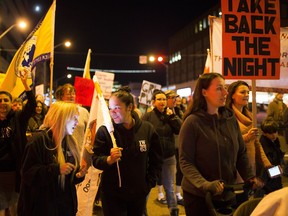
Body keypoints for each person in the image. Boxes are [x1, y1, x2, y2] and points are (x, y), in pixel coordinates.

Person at [179, 73, 263, 216]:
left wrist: (250, 176)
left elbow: (241, 152)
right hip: (199, 197)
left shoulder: (230, 119)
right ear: (204, 92)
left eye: (225, 88)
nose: (225, 93)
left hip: (227, 193)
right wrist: (205, 184)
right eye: (219, 88)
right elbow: (186, 162)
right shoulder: (192, 122)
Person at [92, 86, 163, 216]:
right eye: (110, 109)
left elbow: (156, 160)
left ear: (129, 107)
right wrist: (108, 159)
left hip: (138, 194)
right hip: (112, 195)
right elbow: (96, 159)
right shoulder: (105, 131)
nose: (112, 113)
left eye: (117, 108)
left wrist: (148, 184)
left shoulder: (147, 129)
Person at [17, 101, 87, 216]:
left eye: (77, 118)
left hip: (64, 208)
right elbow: (28, 174)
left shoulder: (69, 142)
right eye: (73, 118)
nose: (76, 122)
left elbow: (69, 180)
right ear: (61, 117)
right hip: (42, 208)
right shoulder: (38, 140)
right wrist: (56, 169)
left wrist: (79, 174)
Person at [0, 68, 36, 216]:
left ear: (11, 103)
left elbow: (32, 105)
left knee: (14, 207)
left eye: (6, 100)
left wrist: (25, 83)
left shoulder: (18, 118)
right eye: (0, 100)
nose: (2, 103)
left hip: (14, 172)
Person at [142, 89, 182, 216]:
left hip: (169, 157)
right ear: (153, 102)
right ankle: (142, 211)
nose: (162, 101)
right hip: (152, 157)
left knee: (169, 186)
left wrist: (172, 117)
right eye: (159, 99)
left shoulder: (170, 115)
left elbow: (180, 129)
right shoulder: (147, 116)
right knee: (148, 186)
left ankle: (173, 210)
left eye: (164, 99)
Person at [226, 81, 271, 183]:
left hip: (251, 165)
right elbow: (227, 142)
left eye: (248, 92)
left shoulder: (250, 116)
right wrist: (247, 136)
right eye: (242, 92)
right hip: (236, 167)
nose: (246, 95)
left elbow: (256, 142)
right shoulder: (227, 116)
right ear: (232, 95)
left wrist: (267, 163)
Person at [55, 83, 89, 150]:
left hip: (79, 152)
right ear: (62, 96)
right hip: (61, 152)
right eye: (68, 94)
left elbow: (89, 132)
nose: (71, 96)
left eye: (73, 94)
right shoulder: (57, 111)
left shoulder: (83, 112)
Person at [165, 90, 184, 206]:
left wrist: (173, 115)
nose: (175, 99)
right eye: (172, 97)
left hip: (179, 145)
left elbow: (182, 126)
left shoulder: (178, 111)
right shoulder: (161, 112)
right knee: (167, 172)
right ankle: (161, 193)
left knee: (180, 169)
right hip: (168, 147)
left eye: (175, 97)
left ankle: (177, 193)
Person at [258, 120, 284, 194]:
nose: (274, 135)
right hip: (268, 176)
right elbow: (268, 163)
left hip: (273, 173)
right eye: (271, 133)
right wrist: (279, 170)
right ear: (264, 133)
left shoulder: (274, 140)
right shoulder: (264, 144)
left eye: (275, 132)